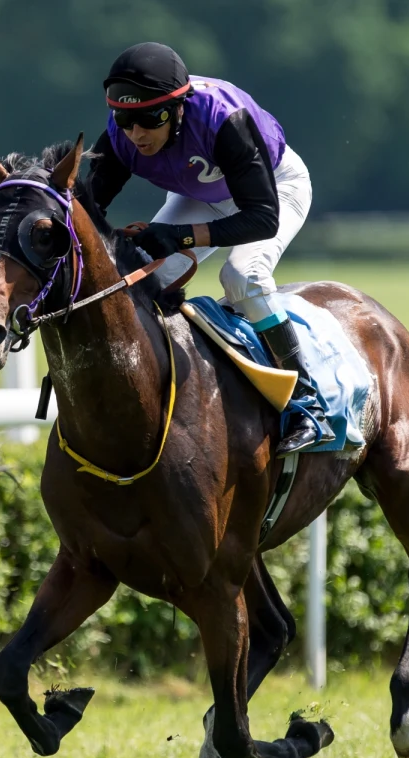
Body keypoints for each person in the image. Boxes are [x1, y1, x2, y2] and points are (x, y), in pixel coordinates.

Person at [86, 42, 334, 456]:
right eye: (125, 118)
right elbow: (88, 207)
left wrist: (179, 236)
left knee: (242, 277)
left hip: (271, 190)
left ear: (179, 107)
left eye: (149, 117)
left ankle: (308, 404)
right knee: (143, 277)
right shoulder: (121, 136)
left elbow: (261, 219)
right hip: (200, 194)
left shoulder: (225, 120)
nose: (136, 133)